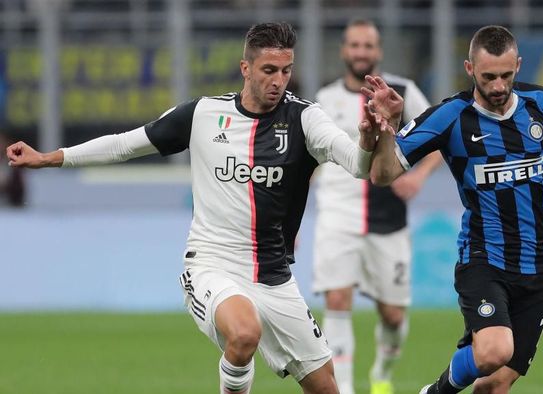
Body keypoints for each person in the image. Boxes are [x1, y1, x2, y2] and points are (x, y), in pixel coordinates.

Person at [6, 22, 383, 394]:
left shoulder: (305, 118)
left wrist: (368, 138)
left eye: (286, 71)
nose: (278, 81)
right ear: (245, 68)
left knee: (325, 387)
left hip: (274, 275)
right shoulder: (203, 115)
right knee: (244, 332)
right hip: (211, 264)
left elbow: (359, 165)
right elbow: (124, 144)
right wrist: (51, 157)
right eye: (269, 70)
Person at [362, 25, 543, 394]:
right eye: (488, 77)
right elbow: (381, 174)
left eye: (506, 75)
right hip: (485, 259)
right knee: (496, 349)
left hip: (542, 265)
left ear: (518, 65)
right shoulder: (450, 117)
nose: (498, 86)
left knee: (493, 385)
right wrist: (387, 129)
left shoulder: (540, 103)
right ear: (469, 69)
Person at [312, 19, 441, 394]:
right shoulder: (324, 99)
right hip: (337, 214)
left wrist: (417, 176)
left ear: (378, 51)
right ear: (344, 51)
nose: (361, 53)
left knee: (393, 314)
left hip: (389, 220)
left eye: (368, 46)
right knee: (337, 297)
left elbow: (438, 136)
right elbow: (310, 163)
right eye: (355, 45)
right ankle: (346, 389)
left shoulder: (403, 92)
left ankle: (382, 371)